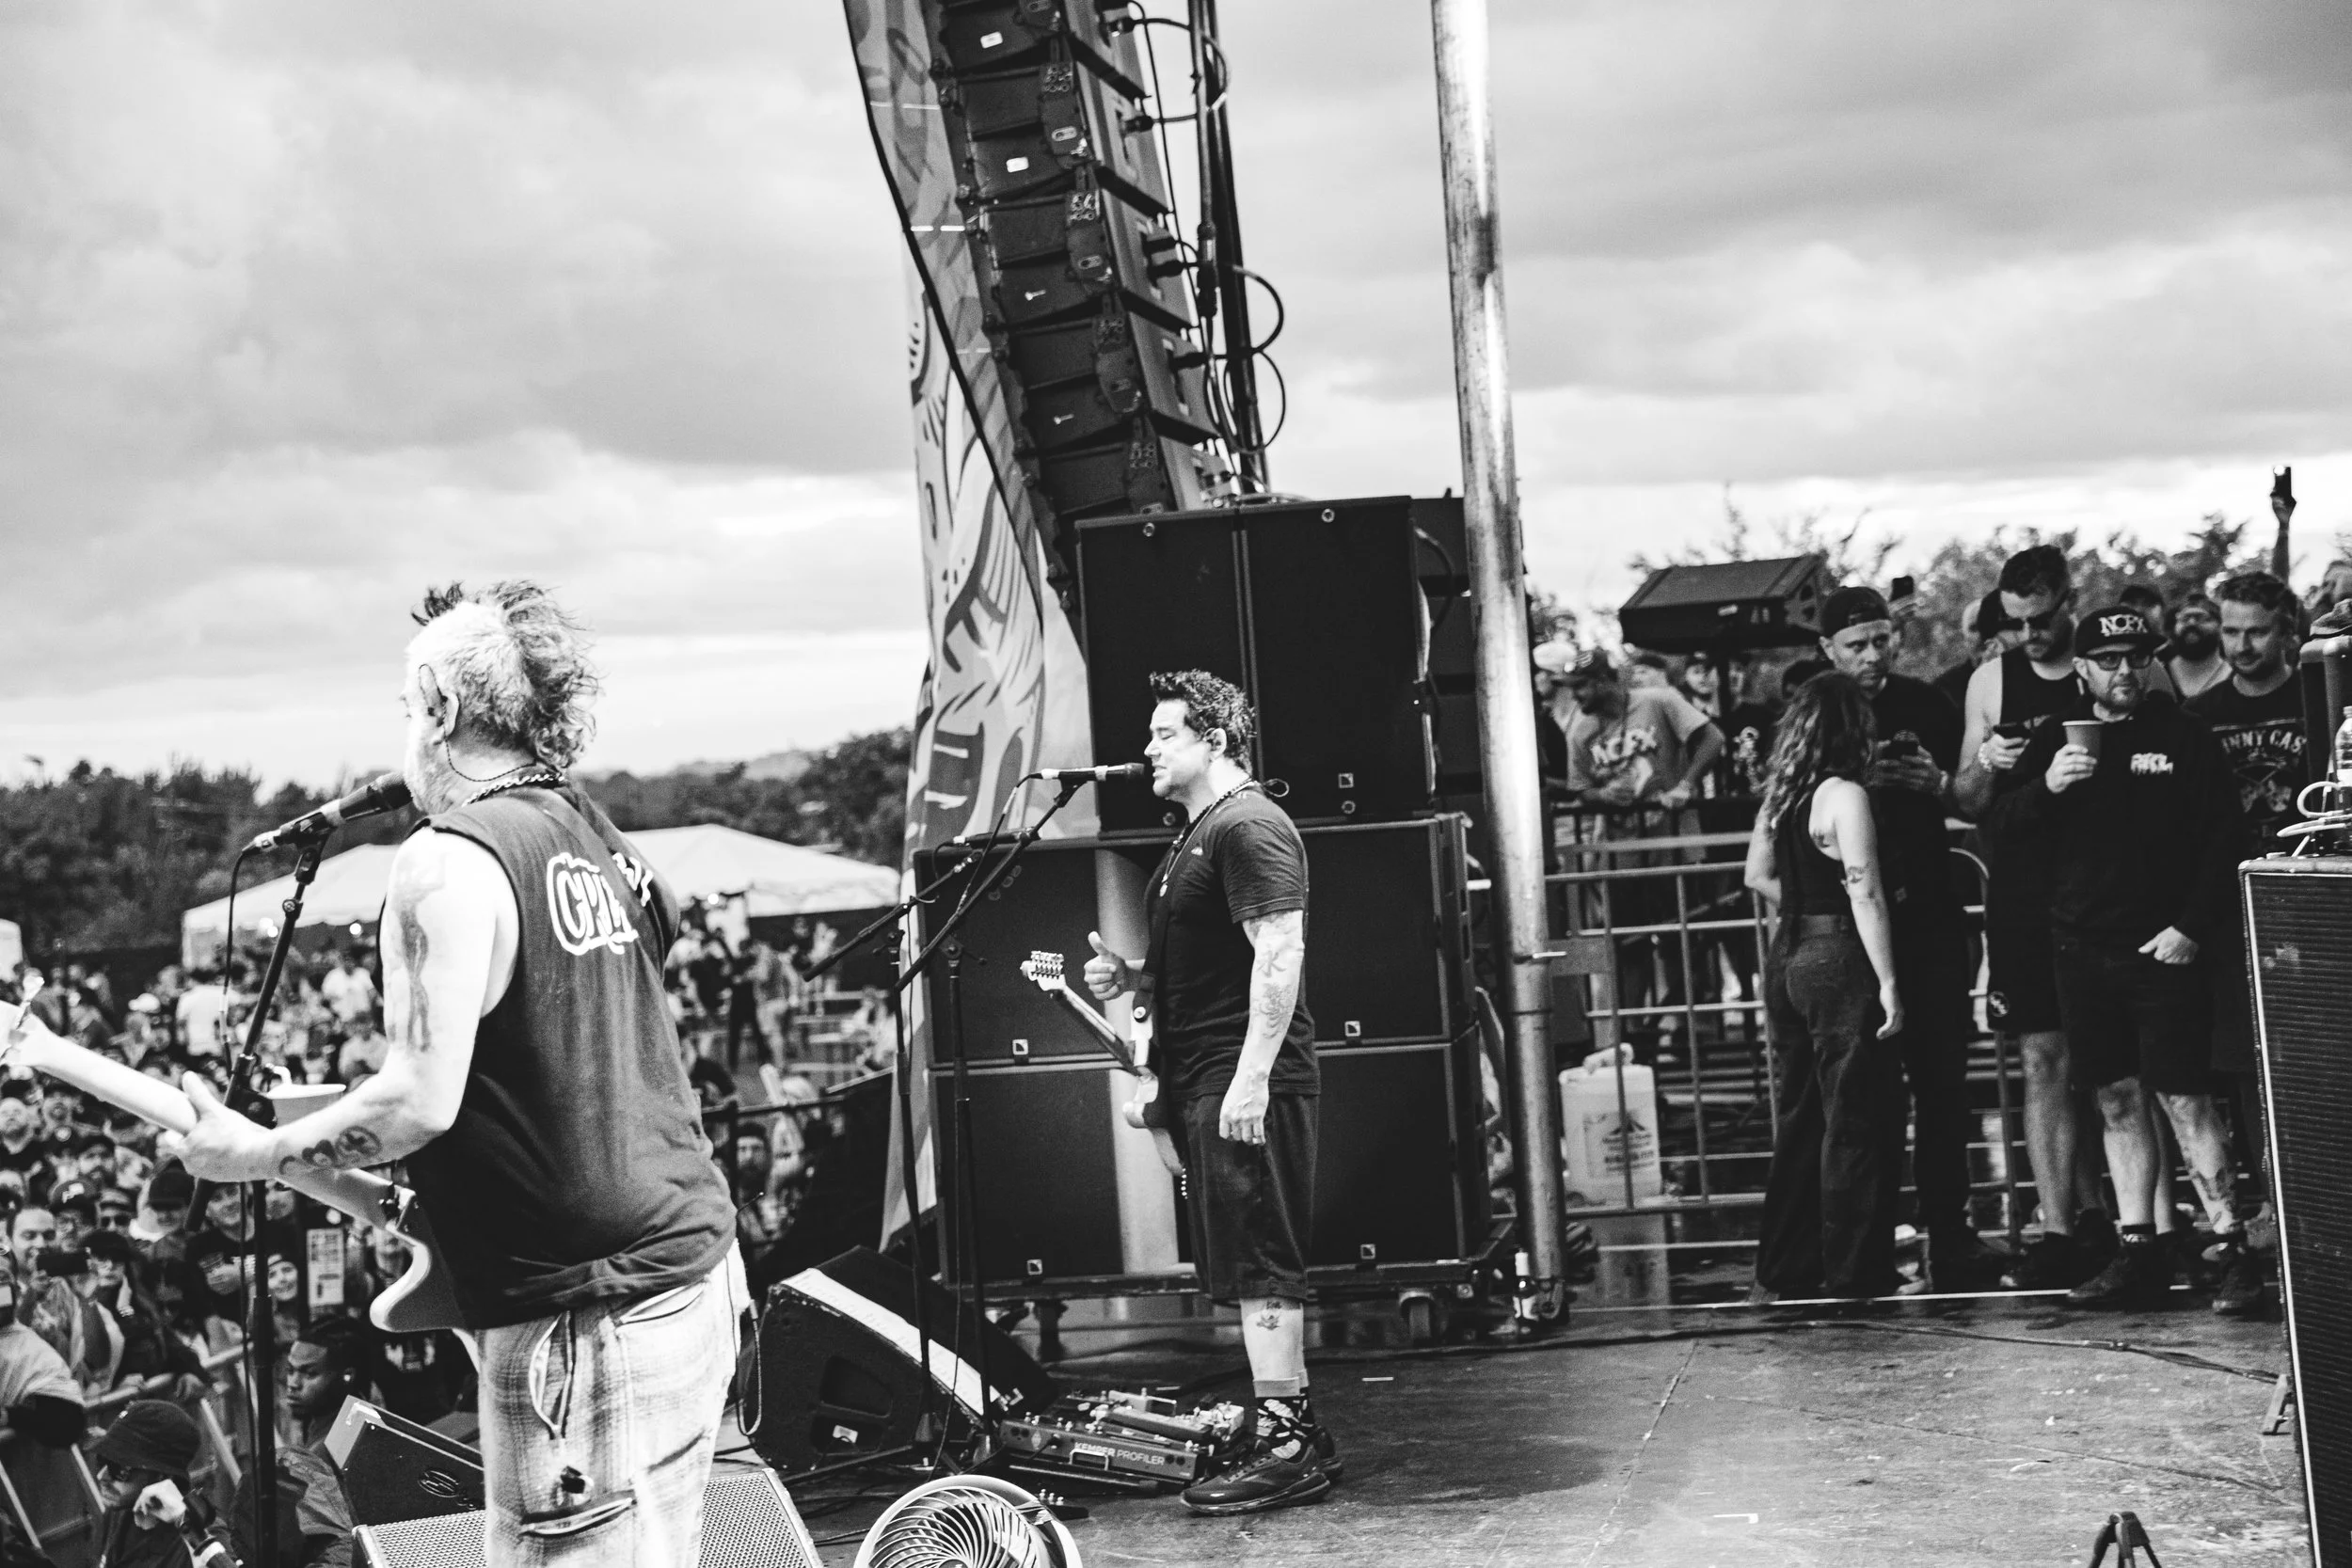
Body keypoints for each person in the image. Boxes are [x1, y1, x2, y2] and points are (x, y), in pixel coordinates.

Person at [167, 579, 743, 1568]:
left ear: (437, 706)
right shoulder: (594, 831)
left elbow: (418, 1098)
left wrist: (259, 1148)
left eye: (405, 707)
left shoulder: (445, 861)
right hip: (693, 1271)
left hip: (583, 1318)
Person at [1083, 669, 1336, 1514]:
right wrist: (1131, 976)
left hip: (1240, 1075)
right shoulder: (1196, 835)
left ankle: (1290, 1439)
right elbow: (1216, 961)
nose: (1147, 749)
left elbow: (1279, 954)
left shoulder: (1251, 827)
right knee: (1239, 1254)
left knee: (1263, 1256)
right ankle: (1280, 1426)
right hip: (1205, 1073)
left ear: (1214, 741)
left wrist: (1252, 1077)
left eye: (1165, 735)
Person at [1988, 605, 2250, 1310]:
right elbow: (2003, 828)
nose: (2125, 671)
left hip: (2164, 950)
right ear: (2082, 669)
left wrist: (2190, 927)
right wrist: (2047, 784)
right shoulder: (2055, 737)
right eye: (2109, 660)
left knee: (2186, 1099)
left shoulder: (2184, 734)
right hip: (2083, 948)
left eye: (2137, 657)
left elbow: (2226, 837)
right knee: (2114, 1099)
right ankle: (2138, 1249)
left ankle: (2231, 1246)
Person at [1812, 588, 2003, 1289]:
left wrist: (1936, 781)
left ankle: (1950, 1231)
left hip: (1927, 910)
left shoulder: (1926, 703)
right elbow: (1789, 800)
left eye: (1881, 639)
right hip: (1851, 924)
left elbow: (1970, 795)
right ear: (1827, 649)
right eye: (1856, 643)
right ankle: (1864, 1241)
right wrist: (1858, 778)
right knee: (1865, 1094)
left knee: (1944, 1082)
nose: (1872, 655)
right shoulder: (1817, 705)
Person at [1956, 545, 2111, 1288]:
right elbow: (1964, 800)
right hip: (2022, 894)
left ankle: (2122, 1219)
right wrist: (1987, 759)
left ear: (2067, 600)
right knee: (2044, 1060)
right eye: (2015, 623)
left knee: (2115, 1063)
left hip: (2103, 889)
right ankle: (2057, 1226)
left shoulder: (2104, 667)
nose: (2029, 636)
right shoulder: (1992, 679)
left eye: (2042, 619)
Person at [1743, 673, 1906, 1303]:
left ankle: (1787, 1263)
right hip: (1835, 953)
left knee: (1801, 1114)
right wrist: (1889, 980)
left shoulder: (1783, 793)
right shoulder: (1845, 794)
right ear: (1853, 726)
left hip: (1786, 949)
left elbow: (1757, 873)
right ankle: (1855, 1267)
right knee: (1854, 1115)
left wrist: (1805, 910)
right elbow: (1863, 887)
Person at [2186, 570, 2305, 1316]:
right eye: (2229, 631)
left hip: (2311, 910)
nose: (2240, 646)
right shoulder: (2201, 715)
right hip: (2233, 920)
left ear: (2284, 624)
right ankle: (2256, 1242)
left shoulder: (2319, 694)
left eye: (2255, 630)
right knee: (2242, 1083)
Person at [2164, 593, 2229, 700]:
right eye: (2184, 619)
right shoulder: (2159, 672)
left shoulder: (2239, 677)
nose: (2192, 623)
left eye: (2201, 618)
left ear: (2222, 628)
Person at [317, 951, 378, 1031]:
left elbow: (372, 991)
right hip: (344, 1016)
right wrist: (341, 997)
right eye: (346, 961)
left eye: (350, 961)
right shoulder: (333, 975)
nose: (348, 963)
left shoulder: (362, 973)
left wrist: (369, 1006)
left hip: (364, 1014)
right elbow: (325, 995)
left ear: (354, 962)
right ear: (342, 962)